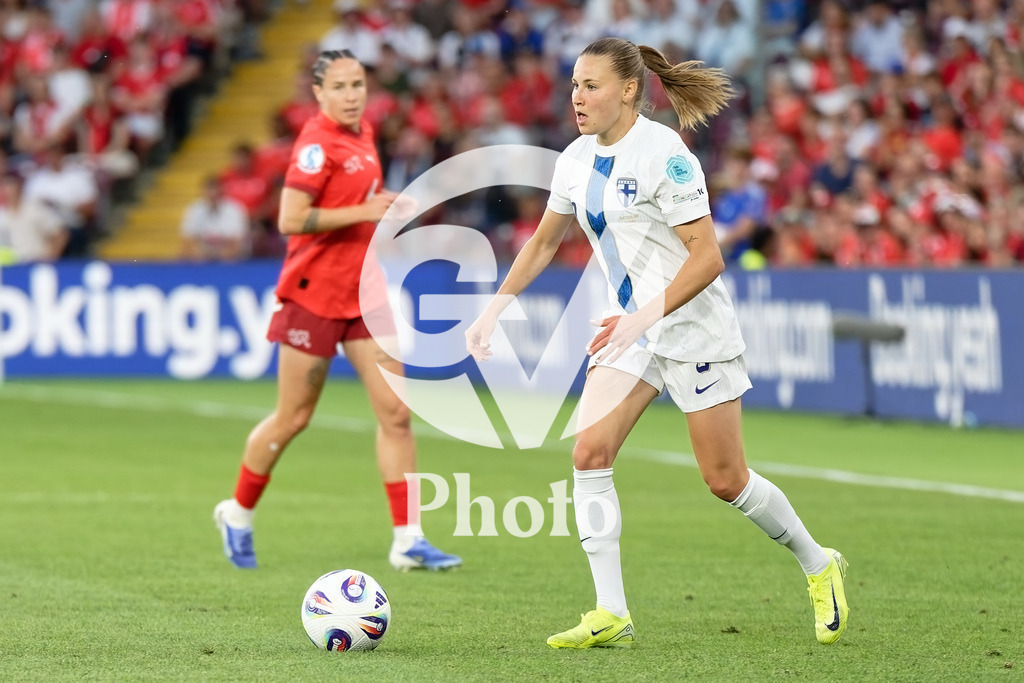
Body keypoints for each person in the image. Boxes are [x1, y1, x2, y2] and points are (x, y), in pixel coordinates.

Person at [465, 37, 849, 648]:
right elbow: (542, 244)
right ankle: (610, 609)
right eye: (573, 85)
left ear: (628, 90)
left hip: (690, 325)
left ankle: (817, 561)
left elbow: (709, 258)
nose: (577, 97)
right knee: (589, 453)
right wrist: (495, 310)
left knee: (725, 479)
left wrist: (643, 317)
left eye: (590, 85)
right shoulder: (574, 160)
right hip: (631, 330)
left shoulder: (665, 155)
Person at [213, 49, 461, 572]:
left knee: (396, 412)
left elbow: (361, 197)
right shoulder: (314, 145)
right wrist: (365, 210)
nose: (352, 96)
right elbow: (290, 218)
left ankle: (408, 539)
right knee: (294, 417)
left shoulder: (363, 133)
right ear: (320, 93)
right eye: (341, 87)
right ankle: (237, 511)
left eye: (358, 85)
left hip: (364, 292)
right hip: (314, 294)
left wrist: (385, 202)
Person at [179, 175, 250, 261]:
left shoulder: (235, 209)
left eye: (215, 192)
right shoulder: (194, 209)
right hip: (201, 258)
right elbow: (187, 240)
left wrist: (219, 259)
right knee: (183, 253)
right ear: (203, 192)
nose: (212, 195)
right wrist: (201, 258)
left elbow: (237, 242)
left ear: (221, 192)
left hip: (230, 260)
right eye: (209, 192)